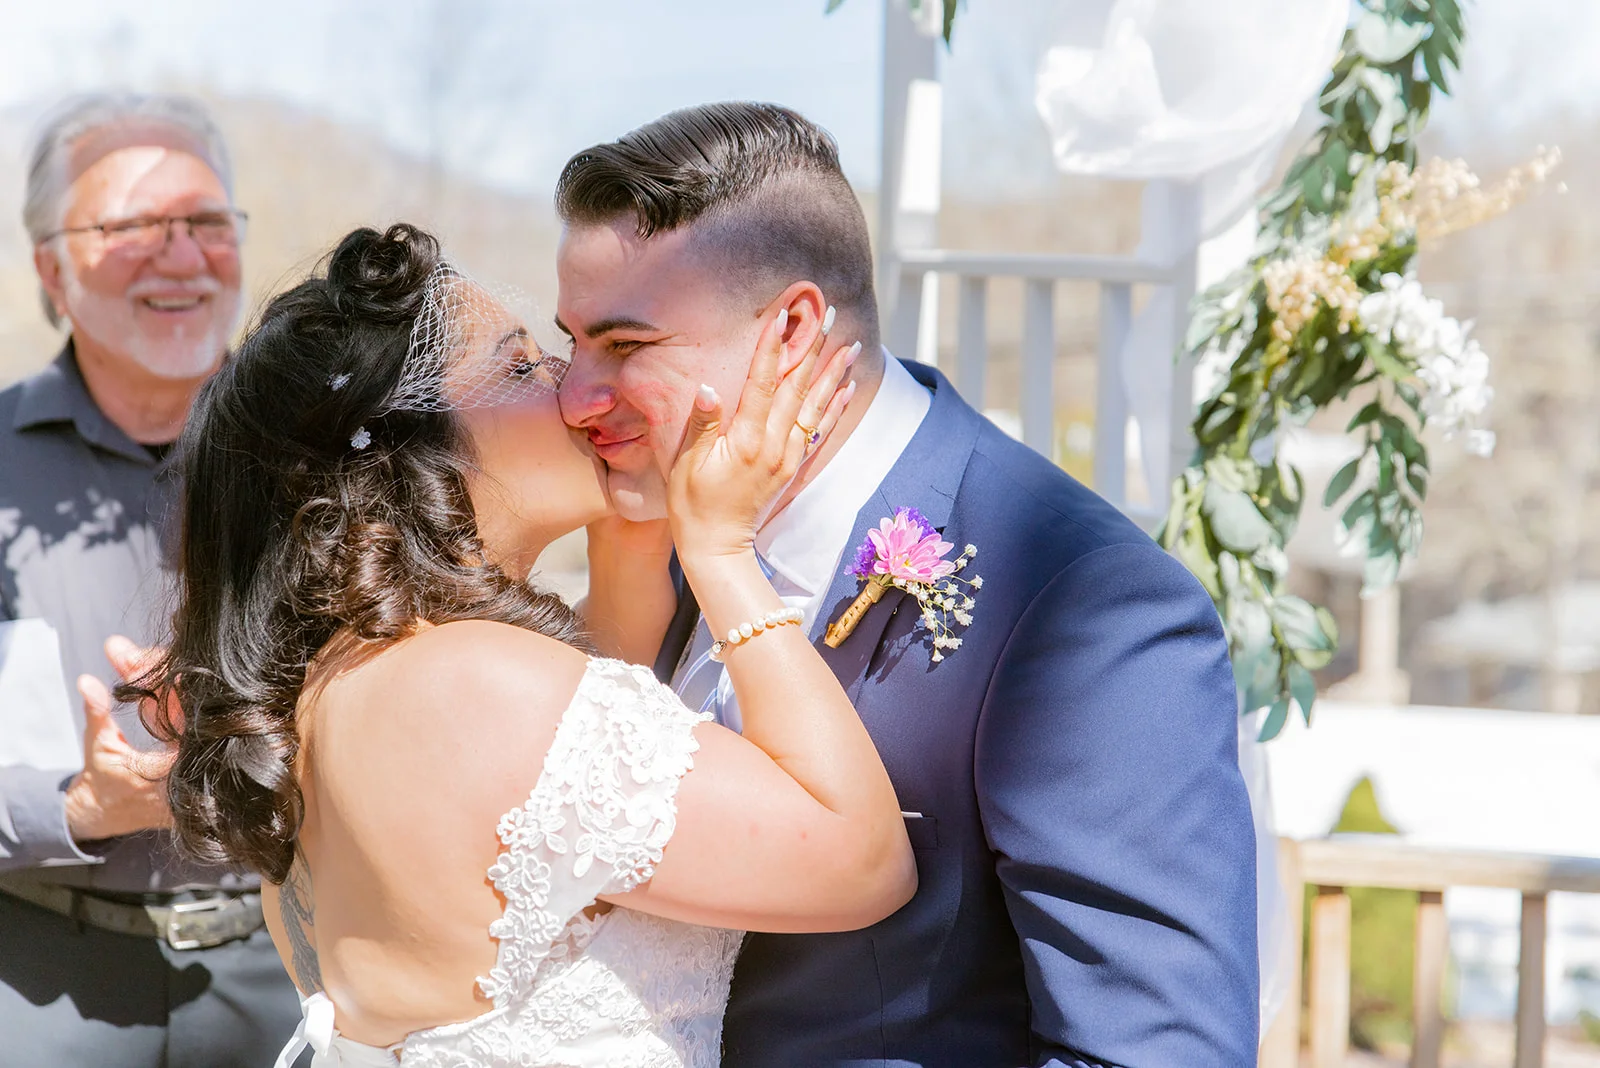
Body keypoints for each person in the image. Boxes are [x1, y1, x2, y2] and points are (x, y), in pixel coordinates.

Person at [554, 101, 1261, 1067]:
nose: (576, 397)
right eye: (572, 342)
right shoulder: (646, 550)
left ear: (792, 332)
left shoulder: (1087, 610)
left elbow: (1149, 1054)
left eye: (625, 347)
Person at [132, 223, 913, 1067]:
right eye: (519, 366)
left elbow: (578, 743)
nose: (576, 390)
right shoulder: (475, 685)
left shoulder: (340, 678)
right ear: (406, 454)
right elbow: (864, 861)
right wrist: (718, 553)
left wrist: (635, 522)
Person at [0, 93, 302, 1067]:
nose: (180, 255)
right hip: (37, 983)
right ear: (52, 265)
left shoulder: (336, 458)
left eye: (206, 222)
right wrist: (81, 806)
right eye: (132, 225)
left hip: (296, 970)